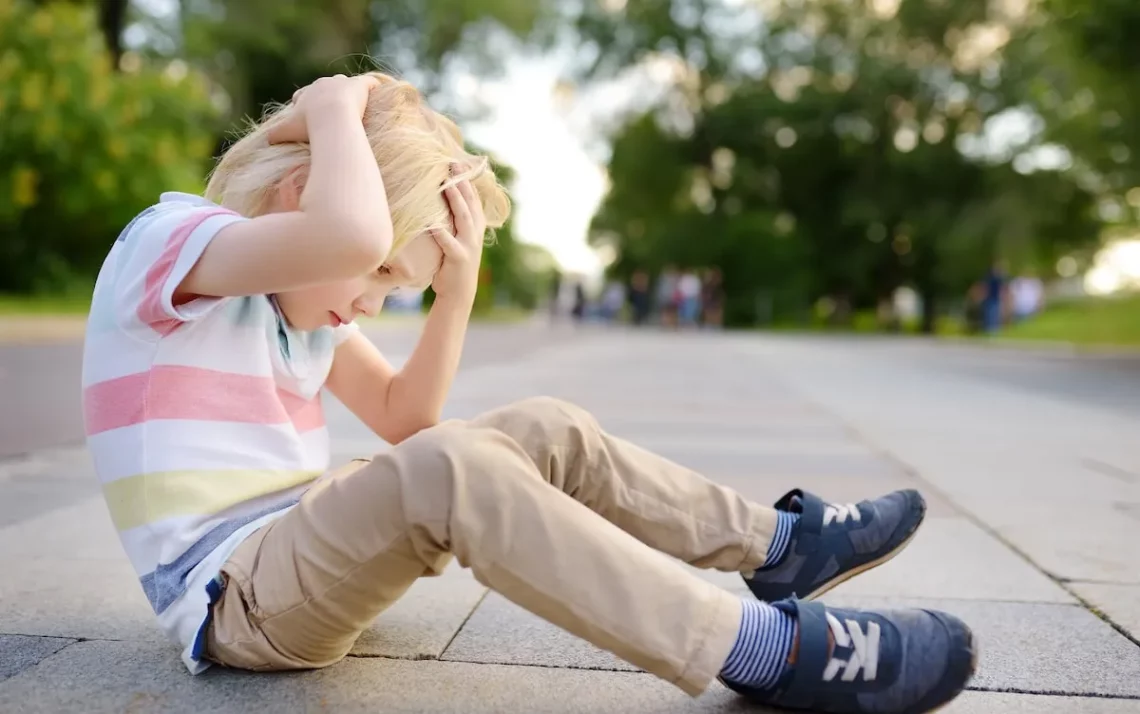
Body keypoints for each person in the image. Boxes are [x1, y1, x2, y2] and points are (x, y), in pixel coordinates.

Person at [81, 72, 975, 714]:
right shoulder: (172, 243)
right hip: (236, 600)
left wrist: (456, 291)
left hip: (301, 553)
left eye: (392, 291)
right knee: (453, 468)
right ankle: (763, 652)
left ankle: (779, 545)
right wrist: (331, 102)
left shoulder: (296, 308)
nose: (366, 301)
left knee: (542, 427)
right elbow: (349, 239)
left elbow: (406, 418)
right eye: (382, 274)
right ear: (302, 192)